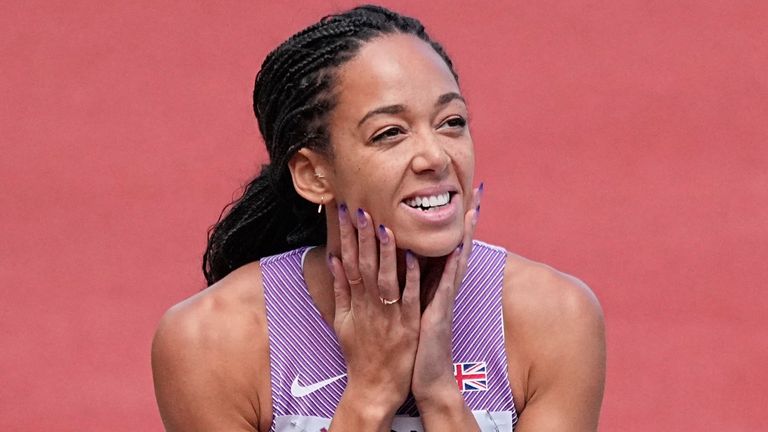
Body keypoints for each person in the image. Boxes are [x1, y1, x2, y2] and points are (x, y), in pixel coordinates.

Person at [151, 4, 605, 431]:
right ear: (313, 174)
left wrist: (441, 395)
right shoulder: (209, 341)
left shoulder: (554, 317)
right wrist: (370, 395)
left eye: (452, 122)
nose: (435, 156)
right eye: (390, 133)